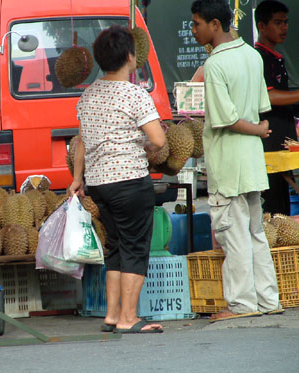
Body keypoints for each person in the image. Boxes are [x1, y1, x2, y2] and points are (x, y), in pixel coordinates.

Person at [69, 25, 166, 333]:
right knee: (135, 248)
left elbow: (81, 142)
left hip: (99, 185)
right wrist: (147, 143)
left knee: (115, 247)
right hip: (129, 182)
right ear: (129, 57)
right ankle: (129, 318)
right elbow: (160, 141)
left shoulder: (88, 96)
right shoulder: (135, 94)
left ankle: (112, 315)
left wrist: (76, 178)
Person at [190, 0, 282, 321]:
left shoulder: (215, 65)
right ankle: (268, 299)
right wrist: (257, 129)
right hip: (252, 161)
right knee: (255, 231)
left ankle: (242, 304)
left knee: (234, 233)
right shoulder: (252, 55)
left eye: (197, 23)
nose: (193, 30)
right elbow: (258, 106)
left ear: (215, 24)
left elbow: (226, 119)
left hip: (228, 163)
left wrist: (256, 128)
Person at [255, 0, 299, 215]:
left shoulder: (276, 57)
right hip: (268, 146)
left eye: (286, 22)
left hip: (282, 145)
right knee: (272, 210)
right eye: (278, 22)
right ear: (262, 26)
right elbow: (268, 96)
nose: (284, 28)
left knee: (283, 207)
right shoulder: (259, 57)